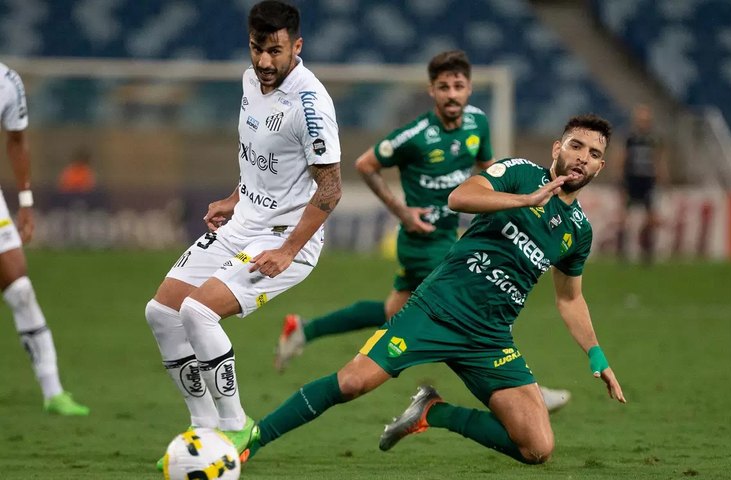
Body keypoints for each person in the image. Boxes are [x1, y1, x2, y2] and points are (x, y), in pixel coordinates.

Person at [241, 114, 626, 465]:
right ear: (557, 148)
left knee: (537, 447)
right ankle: (253, 437)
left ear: (600, 166)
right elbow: (459, 197)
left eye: (594, 153)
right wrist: (525, 200)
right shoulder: (522, 173)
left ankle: (432, 411)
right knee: (353, 382)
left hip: (489, 338)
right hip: (436, 310)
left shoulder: (578, 231)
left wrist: (597, 357)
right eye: (576, 146)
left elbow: (570, 298)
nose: (582, 158)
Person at [274, 50, 571, 412]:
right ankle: (528, 391)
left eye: (458, 86)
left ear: (469, 89)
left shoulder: (478, 123)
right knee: (467, 308)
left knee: (392, 310)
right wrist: (401, 210)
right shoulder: (415, 135)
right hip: (421, 240)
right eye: (443, 86)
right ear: (432, 90)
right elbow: (365, 164)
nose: (451, 93)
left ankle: (303, 329)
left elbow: (487, 166)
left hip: (449, 236)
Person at [143, 0, 342, 469]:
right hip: (243, 222)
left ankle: (237, 424)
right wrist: (237, 196)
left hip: (285, 239)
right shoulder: (250, 79)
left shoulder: (311, 106)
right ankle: (204, 429)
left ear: (297, 46)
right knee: (161, 313)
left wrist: (288, 250)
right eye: (257, 49)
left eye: (275, 51)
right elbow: (258, 153)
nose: (265, 62)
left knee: (198, 313)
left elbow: (330, 190)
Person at [0, 62, 89, 416]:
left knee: (20, 290)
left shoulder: (7, 82)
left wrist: (25, 202)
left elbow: (17, 141)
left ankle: (53, 392)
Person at [615, 103, 667, 263]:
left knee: (650, 218)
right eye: (641, 119)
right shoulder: (629, 137)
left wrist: (662, 176)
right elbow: (622, 157)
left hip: (648, 181)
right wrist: (619, 177)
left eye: (646, 120)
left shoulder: (654, 139)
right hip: (631, 180)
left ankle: (647, 252)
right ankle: (621, 252)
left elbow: (658, 159)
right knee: (624, 217)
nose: (643, 122)